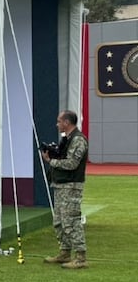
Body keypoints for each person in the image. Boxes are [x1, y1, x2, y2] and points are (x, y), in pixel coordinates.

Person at [42, 110, 89, 269]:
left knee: (72, 220)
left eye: (59, 121)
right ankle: (65, 252)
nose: (57, 124)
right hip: (61, 185)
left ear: (66, 122)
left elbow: (72, 164)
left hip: (71, 186)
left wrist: (51, 162)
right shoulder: (68, 140)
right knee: (60, 221)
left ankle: (81, 257)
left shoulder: (78, 140)